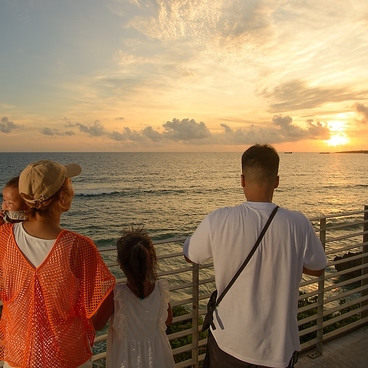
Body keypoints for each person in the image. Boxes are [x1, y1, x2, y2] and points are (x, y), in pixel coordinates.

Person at [183, 144, 327, 368]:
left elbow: (191, 256)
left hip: (228, 343)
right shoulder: (298, 223)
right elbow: (318, 268)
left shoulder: (219, 220)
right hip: (277, 349)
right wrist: (286, 260)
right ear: (277, 181)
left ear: (242, 179)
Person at [0, 160, 116, 368]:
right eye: (70, 183)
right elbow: (104, 301)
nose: (73, 188)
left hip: (17, 355)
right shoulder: (78, 246)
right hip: (66, 356)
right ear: (62, 196)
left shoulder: (4, 238)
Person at [93, 227, 175, 368]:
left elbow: (97, 324)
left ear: (121, 265)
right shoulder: (160, 291)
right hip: (158, 358)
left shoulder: (116, 296)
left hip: (126, 361)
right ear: (152, 261)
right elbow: (168, 320)